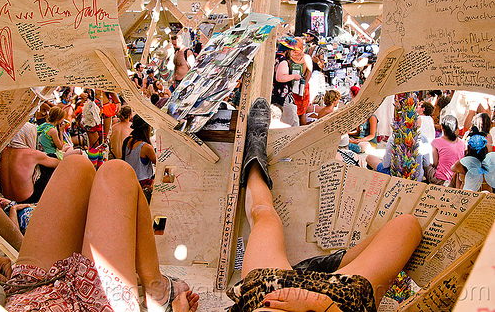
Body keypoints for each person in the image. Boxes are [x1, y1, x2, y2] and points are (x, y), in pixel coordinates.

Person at [174, 98, 422, 312]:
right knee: (406, 228)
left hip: (271, 294)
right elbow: (408, 226)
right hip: (331, 299)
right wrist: (322, 304)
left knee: (264, 216)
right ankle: (327, 265)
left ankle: (254, 163)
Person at [1, 155, 197, 311]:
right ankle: (157, 289)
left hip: (25, 296)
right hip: (86, 307)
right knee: (118, 173)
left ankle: (82, 270)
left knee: (76, 165)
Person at [0, 123, 60, 204]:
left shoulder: (3, 153)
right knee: (50, 163)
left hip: (7, 198)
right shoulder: (32, 154)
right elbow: (58, 163)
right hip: (28, 199)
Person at [122, 115, 156, 203]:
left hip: (129, 181)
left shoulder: (127, 141)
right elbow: (160, 164)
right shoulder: (146, 147)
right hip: (143, 184)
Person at [425, 115, 465, 186]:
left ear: (442, 128)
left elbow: (435, 164)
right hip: (456, 180)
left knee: (425, 164)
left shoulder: (436, 142)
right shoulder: (462, 143)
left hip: (440, 179)